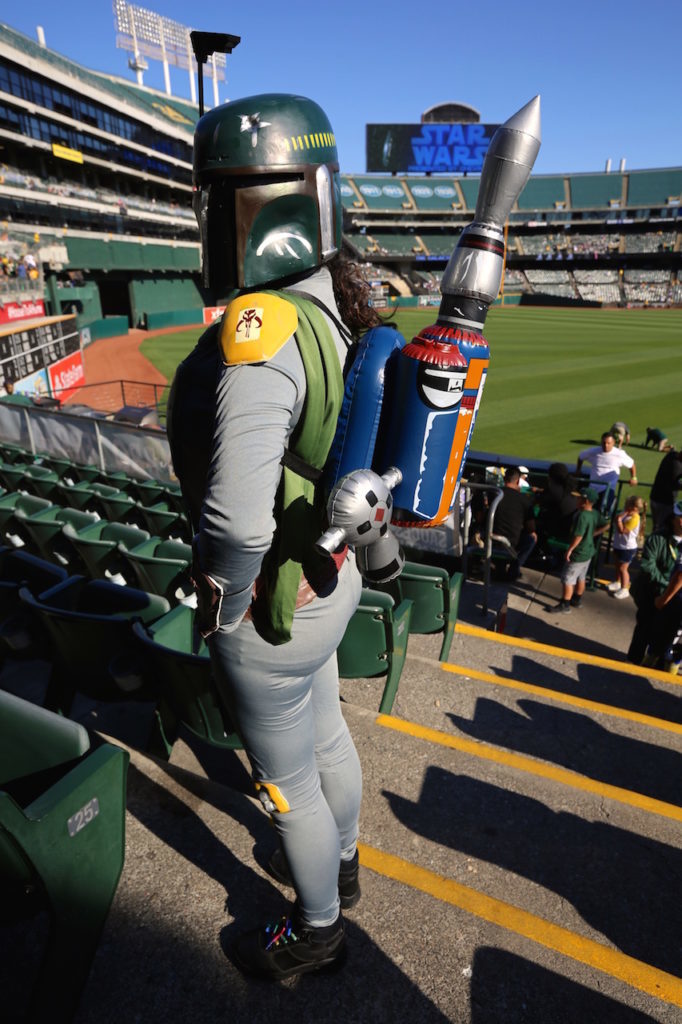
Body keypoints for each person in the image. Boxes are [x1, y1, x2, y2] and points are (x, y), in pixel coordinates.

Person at [167, 94, 377, 981]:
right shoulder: (330, 293)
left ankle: (319, 929)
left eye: (218, 199)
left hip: (275, 607)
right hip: (333, 579)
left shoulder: (264, 326)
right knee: (327, 733)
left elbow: (237, 518)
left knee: (287, 782)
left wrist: (227, 601)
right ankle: (346, 862)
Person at [627, 503, 682, 663]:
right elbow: (647, 565)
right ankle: (633, 661)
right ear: (673, 519)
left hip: (674, 595)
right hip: (652, 592)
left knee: (668, 632)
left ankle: (657, 661)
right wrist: (666, 585)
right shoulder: (657, 538)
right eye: (681, 517)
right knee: (644, 627)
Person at [553, 486, 608, 613]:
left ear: (586, 501)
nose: (576, 499)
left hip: (579, 552)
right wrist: (594, 533)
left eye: (579, 498)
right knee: (581, 577)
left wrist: (570, 549)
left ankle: (564, 604)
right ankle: (576, 600)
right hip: (588, 551)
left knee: (568, 578)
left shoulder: (582, 516)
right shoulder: (595, 513)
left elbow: (578, 535)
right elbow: (607, 524)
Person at [491, 466, 537, 580]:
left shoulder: (494, 494)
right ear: (517, 481)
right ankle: (514, 568)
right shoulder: (524, 500)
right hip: (510, 543)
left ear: (504, 479)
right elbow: (531, 528)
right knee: (532, 538)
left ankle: (503, 568)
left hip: (491, 539)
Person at [576, 431, 637, 514]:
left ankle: (610, 506)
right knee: (586, 510)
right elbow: (581, 457)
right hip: (593, 487)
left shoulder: (619, 454)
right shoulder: (594, 451)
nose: (606, 445)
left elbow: (631, 464)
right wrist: (578, 470)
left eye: (608, 443)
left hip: (608, 488)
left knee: (603, 510)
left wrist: (633, 477)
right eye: (604, 443)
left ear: (613, 443)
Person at [607, 494, 645, 599]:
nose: (625, 506)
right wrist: (619, 518)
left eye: (627, 505)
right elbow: (616, 519)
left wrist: (619, 520)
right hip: (618, 545)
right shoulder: (625, 514)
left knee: (623, 568)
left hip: (628, 547)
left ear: (634, 507)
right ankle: (617, 582)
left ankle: (625, 589)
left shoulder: (635, 518)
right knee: (617, 565)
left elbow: (623, 531)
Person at [648, 445, 682, 530]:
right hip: (664, 502)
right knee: (662, 529)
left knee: (657, 527)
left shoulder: (671, 455)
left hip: (656, 498)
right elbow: (675, 485)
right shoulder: (676, 465)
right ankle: (655, 543)